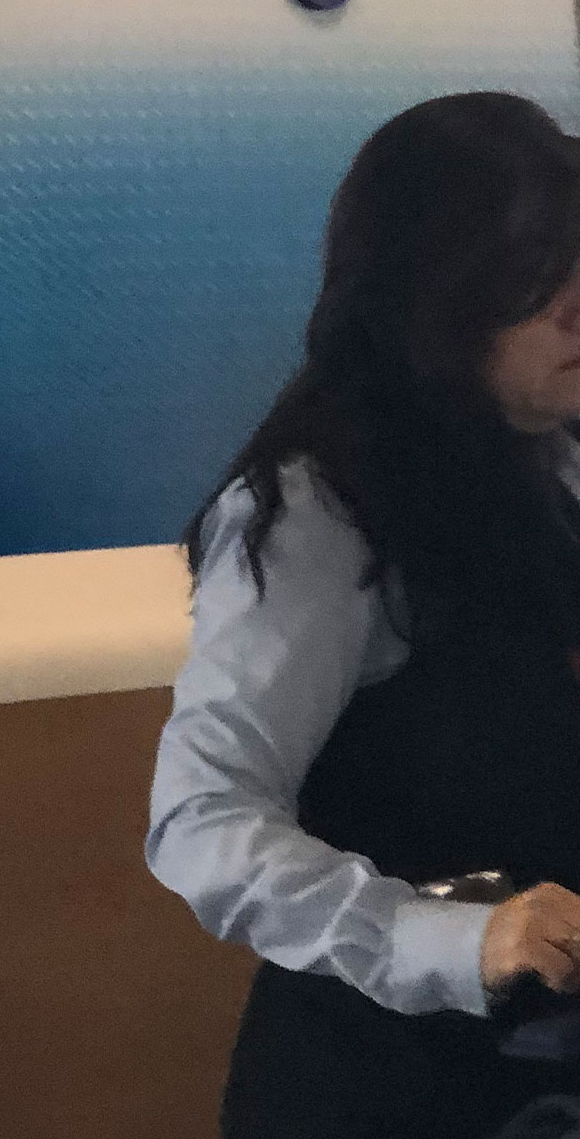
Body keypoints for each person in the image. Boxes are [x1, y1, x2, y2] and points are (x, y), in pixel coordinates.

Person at [148, 92, 580, 1138]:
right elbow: (203, 822)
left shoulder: (551, 455)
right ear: (441, 294)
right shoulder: (319, 507)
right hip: (389, 1085)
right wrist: (449, 938)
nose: (578, 311)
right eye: (542, 282)